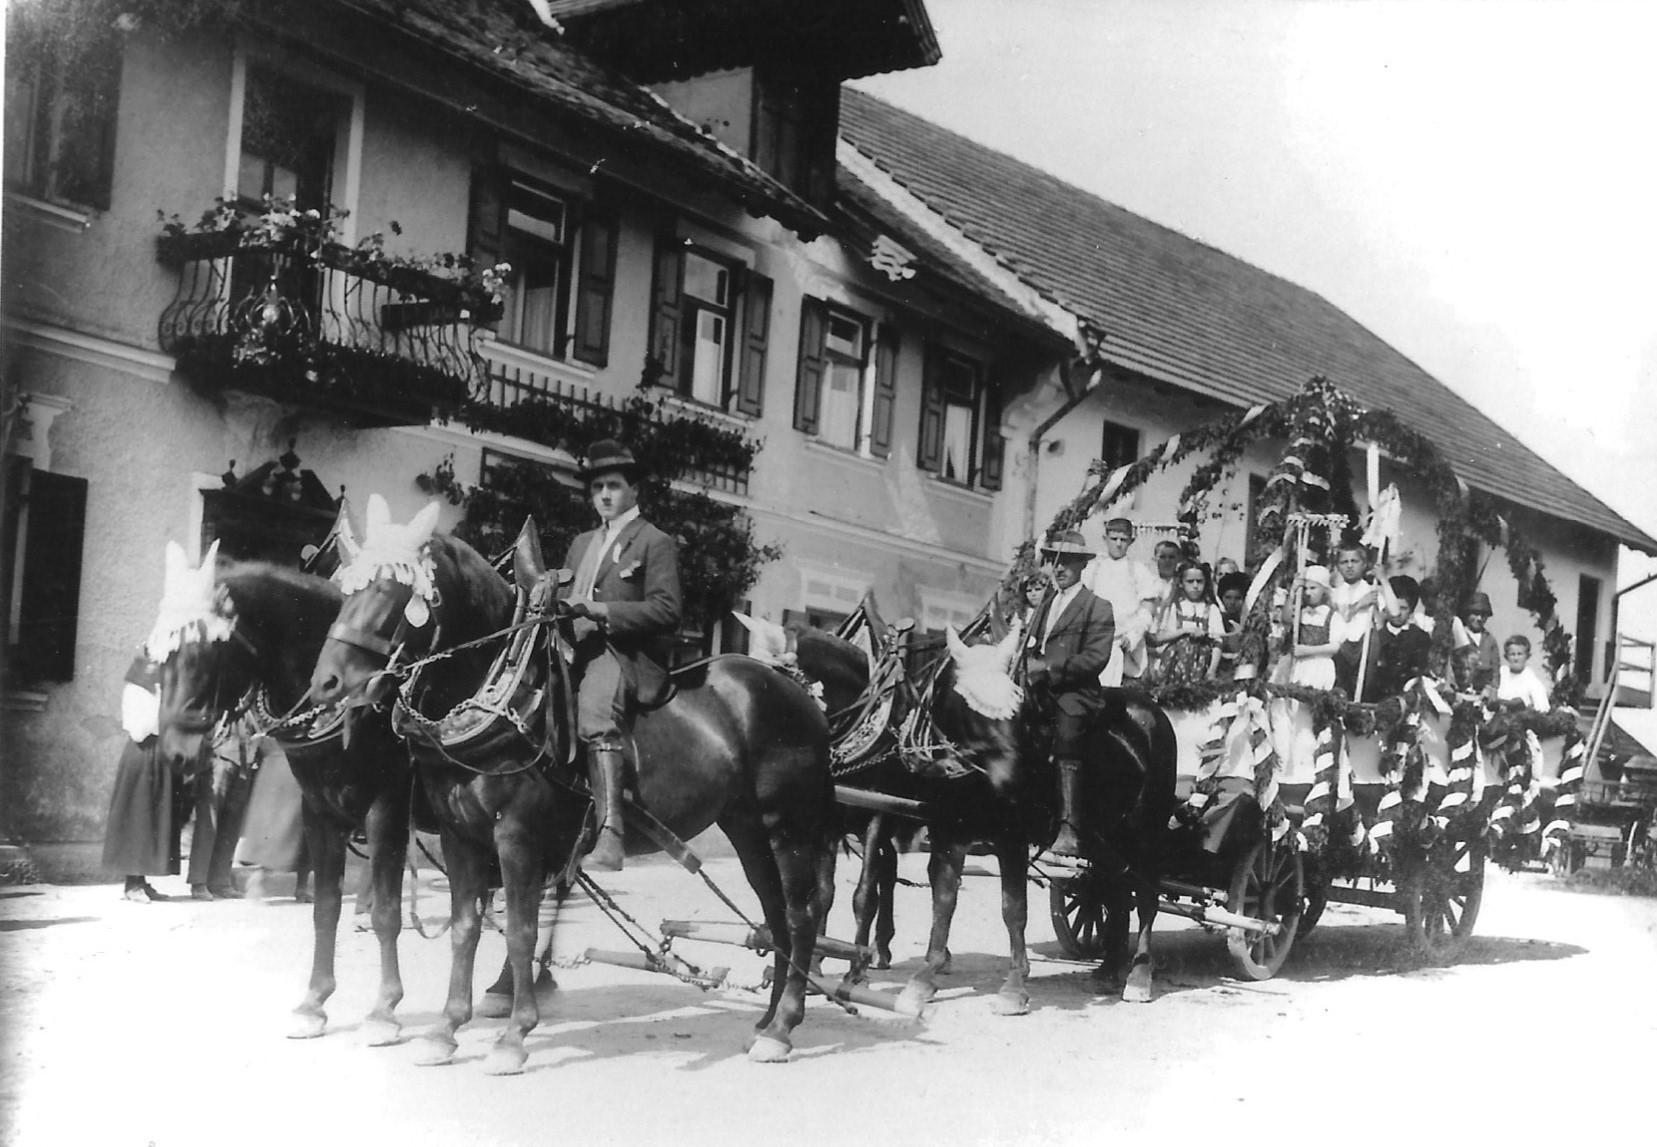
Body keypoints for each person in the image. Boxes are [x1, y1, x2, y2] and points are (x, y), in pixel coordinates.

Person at [556, 439, 683, 872]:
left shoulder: (653, 542)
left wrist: (604, 611)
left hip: (624, 653)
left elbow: (667, 610)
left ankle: (611, 833)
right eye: (597, 488)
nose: (604, 495)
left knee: (593, 714)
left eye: (613, 485)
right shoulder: (581, 544)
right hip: (574, 647)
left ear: (633, 491)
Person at [1024, 530, 1115, 857]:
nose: (1058, 568)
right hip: (1037, 690)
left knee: (1067, 733)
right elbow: (1030, 645)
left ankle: (1070, 827)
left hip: (1075, 694)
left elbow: (1095, 658)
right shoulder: (1045, 604)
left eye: (1067, 562)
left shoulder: (1097, 606)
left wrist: (1048, 670)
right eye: (1053, 561)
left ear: (1081, 565)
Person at [101, 653, 187, 902]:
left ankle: (141, 880)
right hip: (144, 753)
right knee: (139, 814)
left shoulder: (159, 688)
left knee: (154, 816)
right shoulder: (138, 690)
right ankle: (132, 884)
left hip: (161, 753)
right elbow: (141, 728)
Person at [1271, 566, 1342, 782]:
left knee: (1309, 714)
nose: (1309, 592)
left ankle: (1309, 768)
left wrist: (1308, 650)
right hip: (1298, 666)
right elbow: (1285, 619)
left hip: (1318, 667)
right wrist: (1294, 590)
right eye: (1306, 588)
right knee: (1290, 713)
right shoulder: (1299, 612)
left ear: (1324, 590)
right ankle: (1288, 768)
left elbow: (1334, 647)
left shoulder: (1332, 615)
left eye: (1313, 588)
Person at [1080, 517, 1158, 685]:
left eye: (1123, 540)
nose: (1118, 544)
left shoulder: (1139, 570)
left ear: (1131, 541)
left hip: (1126, 644)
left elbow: (1147, 609)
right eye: (1114, 539)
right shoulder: (1093, 568)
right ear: (1105, 539)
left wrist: (1133, 636)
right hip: (1096, 642)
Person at [1148, 560, 1225, 684]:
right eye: (1190, 581)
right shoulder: (1174, 607)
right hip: (1174, 664)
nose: (1195, 586)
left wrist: (1212, 670)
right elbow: (1159, 637)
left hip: (1202, 663)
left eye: (1199, 581)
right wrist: (1185, 631)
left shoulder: (1211, 609)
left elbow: (1218, 642)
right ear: (1181, 583)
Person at [1368, 576, 1432, 700]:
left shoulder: (1420, 638)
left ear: (1411, 610)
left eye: (1403, 608)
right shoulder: (1376, 636)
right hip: (1377, 699)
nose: (1397, 613)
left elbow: (1420, 671)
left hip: (1407, 699)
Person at [1329, 542, 1379, 695]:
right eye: (1344, 562)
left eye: (1354, 561)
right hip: (1341, 647)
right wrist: (1359, 604)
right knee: (1341, 689)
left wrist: (1382, 579)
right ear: (1338, 566)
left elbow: (1394, 613)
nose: (1349, 566)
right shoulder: (1335, 593)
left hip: (1364, 646)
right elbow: (1343, 616)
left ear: (1364, 564)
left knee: (1362, 689)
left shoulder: (1371, 590)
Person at [1457, 591, 1501, 694]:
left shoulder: (1490, 639)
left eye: (1483, 615)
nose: (1479, 619)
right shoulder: (1459, 635)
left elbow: (1495, 670)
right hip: (1461, 690)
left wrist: (1492, 689)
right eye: (1475, 614)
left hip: (1484, 692)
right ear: (1467, 613)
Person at [1496, 635, 1553, 710]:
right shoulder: (1501, 673)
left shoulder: (1531, 679)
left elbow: (1543, 707)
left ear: (1527, 656)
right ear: (1506, 657)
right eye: (1512, 654)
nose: (1516, 658)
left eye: (1520, 654)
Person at [1215, 571, 1250, 680]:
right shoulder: (1215, 620)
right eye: (1228, 597)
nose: (1232, 602)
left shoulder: (1250, 623)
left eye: (1237, 598)